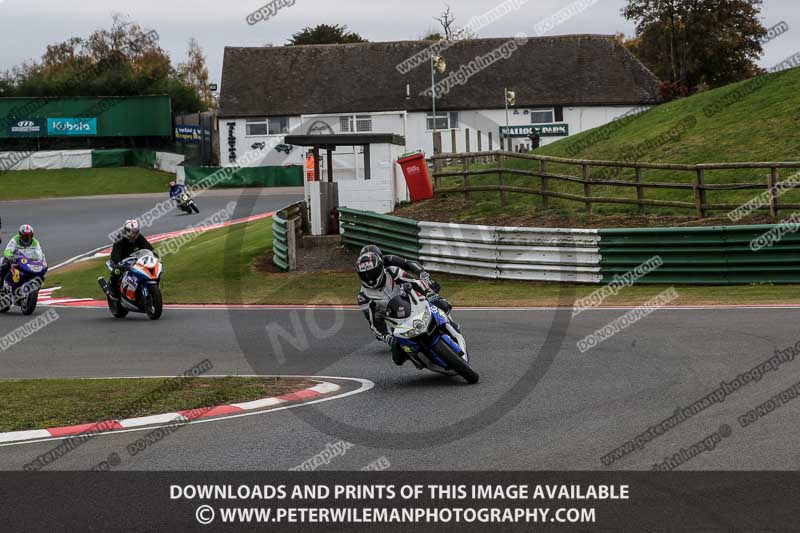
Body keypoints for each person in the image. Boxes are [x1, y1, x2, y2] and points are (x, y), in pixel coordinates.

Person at [356, 247, 453, 367]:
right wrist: (389, 339)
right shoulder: (363, 297)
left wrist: (430, 292)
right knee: (398, 358)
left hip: (410, 301)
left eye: (372, 273)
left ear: (380, 265)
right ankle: (420, 360)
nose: (369, 278)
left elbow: (415, 281)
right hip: (394, 321)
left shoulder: (392, 270)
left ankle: (449, 324)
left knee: (440, 304)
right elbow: (374, 325)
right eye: (365, 275)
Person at [108, 219, 155, 299]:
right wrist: (119, 263)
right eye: (132, 232)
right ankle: (112, 290)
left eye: (136, 231)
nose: (134, 234)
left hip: (137, 260)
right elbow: (115, 253)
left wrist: (154, 255)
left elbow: (148, 248)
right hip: (123, 261)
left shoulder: (139, 237)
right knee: (117, 271)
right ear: (126, 231)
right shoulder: (120, 239)